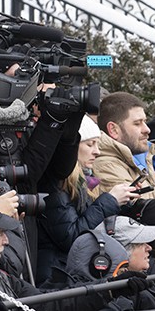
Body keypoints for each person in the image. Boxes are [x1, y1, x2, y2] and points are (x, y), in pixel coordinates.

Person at [37, 115, 136, 281]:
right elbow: (72, 237)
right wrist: (110, 200)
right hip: (54, 276)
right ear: (72, 147)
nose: (97, 151)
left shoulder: (79, 181)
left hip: (64, 268)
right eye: (90, 144)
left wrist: (124, 203)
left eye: (97, 144)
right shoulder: (55, 184)